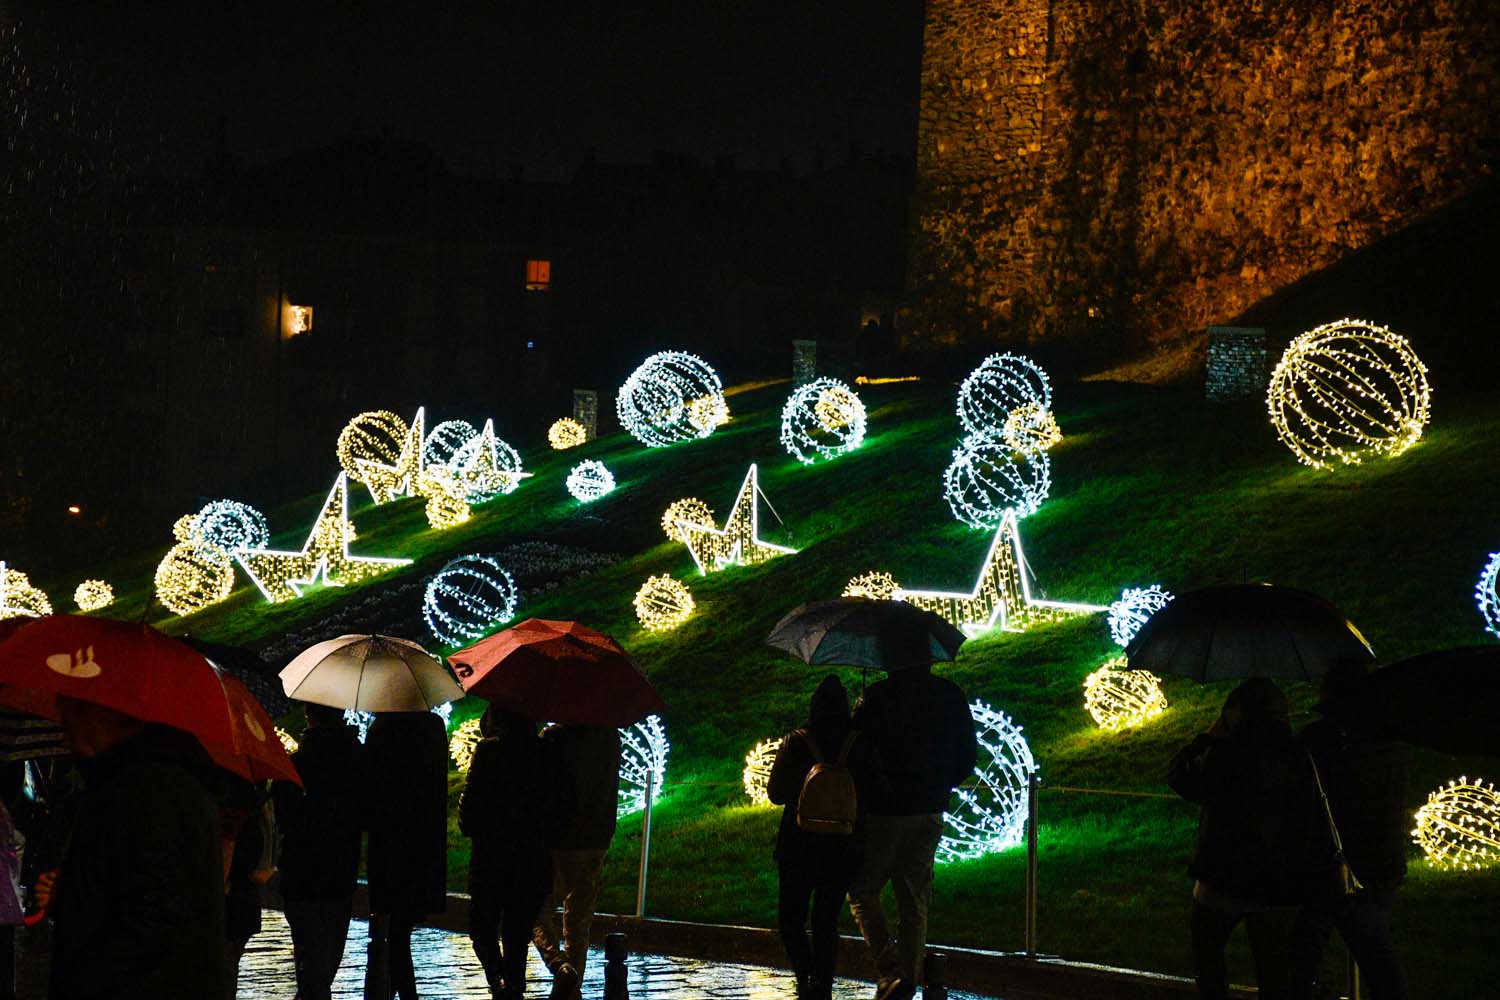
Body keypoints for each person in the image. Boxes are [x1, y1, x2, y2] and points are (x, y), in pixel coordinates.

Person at [38, 696, 226, 998]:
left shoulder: (147, 789)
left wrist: (89, 976)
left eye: (69, 720)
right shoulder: (152, 782)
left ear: (97, 716)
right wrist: (72, 891)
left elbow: (154, 914)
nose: (65, 736)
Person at [1168, 678, 1330, 1000]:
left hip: (1223, 879)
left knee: (1209, 961)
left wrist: (1206, 739)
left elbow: (1180, 777)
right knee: (1274, 973)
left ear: (1236, 713)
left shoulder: (1225, 755)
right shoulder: (1300, 755)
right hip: (1279, 883)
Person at [846, 642, 978, 1000]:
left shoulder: (879, 697)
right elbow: (968, 754)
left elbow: (855, 750)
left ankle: (891, 970)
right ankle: (911, 979)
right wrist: (940, 785)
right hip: (930, 809)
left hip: (886, 811)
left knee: (862, 889)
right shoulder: (950, 695)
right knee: (914, 899)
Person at [1290, 661, 1412, 1000]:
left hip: (1338, 866)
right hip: (1383, 862)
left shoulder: (1322, 743)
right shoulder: (1391, 742)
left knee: (1309, 949)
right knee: (1373, 948)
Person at [767, 675, 886, 1000]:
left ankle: (805, 975)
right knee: (826, 919)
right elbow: (875, 793)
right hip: (843, 846)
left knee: (791, 917)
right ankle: (825, 983)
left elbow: (776, 793)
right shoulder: (860, 744)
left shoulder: (797, 742)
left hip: (798, 844)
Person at [459, 707, 555, 1000]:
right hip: (531, 858)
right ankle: (513, 985)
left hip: (492, 856)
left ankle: (499, 979)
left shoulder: (489, 751)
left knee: (482, 927)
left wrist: (467, 819)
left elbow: (472, 804)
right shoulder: (544, 752)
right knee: (517, 933)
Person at [272, 702, 363, 1000]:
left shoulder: (295, 764)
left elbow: (284, 818)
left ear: (310, 717)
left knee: (309, 957)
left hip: (301, 872)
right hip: (341, 869)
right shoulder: (358, 762)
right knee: (328, 956)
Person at [364, 710, 451, 1000]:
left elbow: (371, 786)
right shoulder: (433, 727)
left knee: (391, 931)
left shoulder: (383, 728)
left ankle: (395, 991)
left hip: (389, 843)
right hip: (422, 841)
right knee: (401, 930)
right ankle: (398, 990)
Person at [533, 722, 622, 1000]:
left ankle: (561, 967)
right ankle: (572, 989)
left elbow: (544, 788)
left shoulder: (554, 738)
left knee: (536, 910)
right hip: (597, 837)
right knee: (579, 920)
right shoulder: (610, 736)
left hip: (561, 838)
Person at [221, 777, 273, 999]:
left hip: (229, 903)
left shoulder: (232, 817)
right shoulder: (258, 813)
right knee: (228, 970)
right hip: (244, 904)